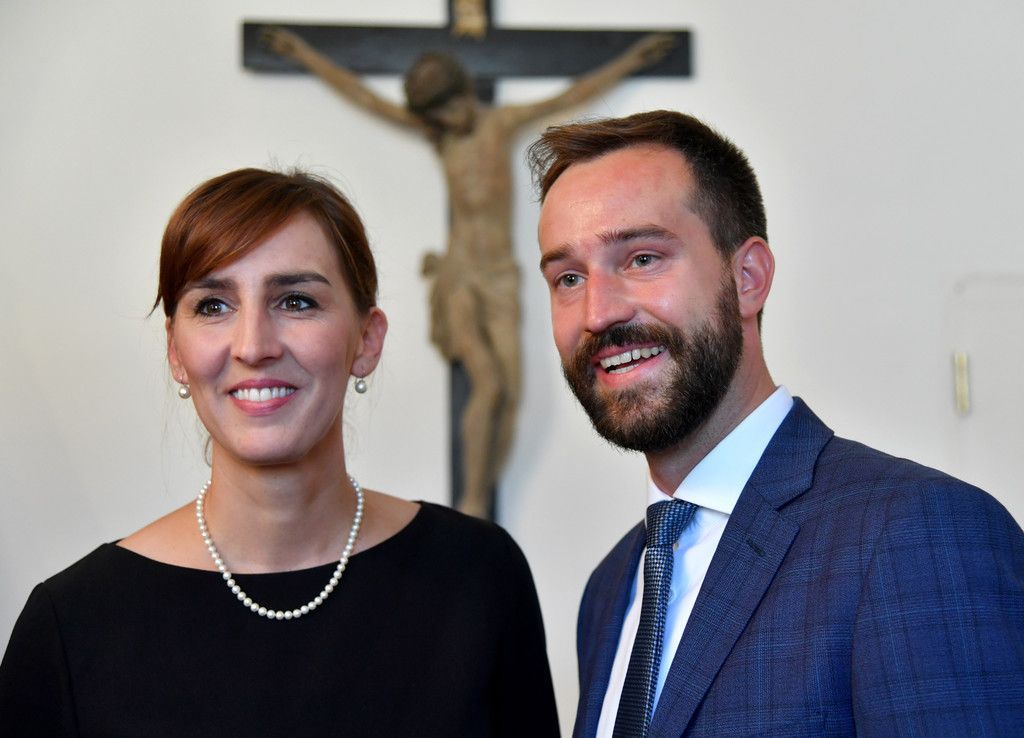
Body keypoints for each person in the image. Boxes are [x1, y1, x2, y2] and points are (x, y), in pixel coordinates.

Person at [0, 168, 559, 736]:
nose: (253, 346)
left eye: (295, 300)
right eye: (213, 306)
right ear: (175, 351)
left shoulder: (479, 578)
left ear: (367, 340)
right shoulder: (71, 625)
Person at [528, 110, 1024, 736]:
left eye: (642, 258)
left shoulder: (917, 533)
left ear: (748, 278)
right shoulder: (609, 591)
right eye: (569, 278)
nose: (597, 312)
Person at [262, 27, 674, 519]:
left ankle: (483, 488)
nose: (444, 122)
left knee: (510, 391)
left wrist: (631, 60)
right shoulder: (443, 140)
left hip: (499, 275)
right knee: (487, 383)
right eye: (435, 117)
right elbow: (366, 97)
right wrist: (303, 52)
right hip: (460, 275)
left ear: (462, 94)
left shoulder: (498, 125)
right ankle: (474, 500)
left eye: (448, 110)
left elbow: (572, 95)